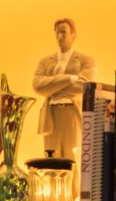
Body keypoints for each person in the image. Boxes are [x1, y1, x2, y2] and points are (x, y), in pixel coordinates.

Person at [32, 16, 97, 163]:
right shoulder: (45, 62)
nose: (59, 36)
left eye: (63, 32)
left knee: (72, 158)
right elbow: (37, 85)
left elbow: (84, 87)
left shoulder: (86, 60)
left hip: (72, 113)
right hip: (50, 115)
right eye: (57, 32)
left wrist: (50, 88)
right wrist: (69, 78)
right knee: (51, 159)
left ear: (73, 34)